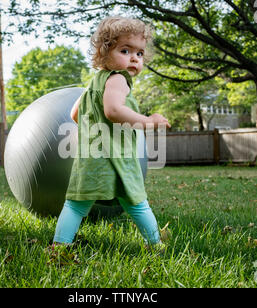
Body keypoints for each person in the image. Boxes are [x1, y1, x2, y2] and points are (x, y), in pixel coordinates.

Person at [52, 16, 171, 250]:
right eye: (125, 50)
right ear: (104, 52)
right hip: (117, 160)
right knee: (137, 203)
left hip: (91, 159)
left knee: (76, 206)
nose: (134, 58)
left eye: (139, 53)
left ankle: (60, 247)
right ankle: (155, 246)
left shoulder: (94, 83)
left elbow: (75, 114)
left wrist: (94, 134)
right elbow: (114, 111)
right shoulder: (118, 80)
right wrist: (148, 120)